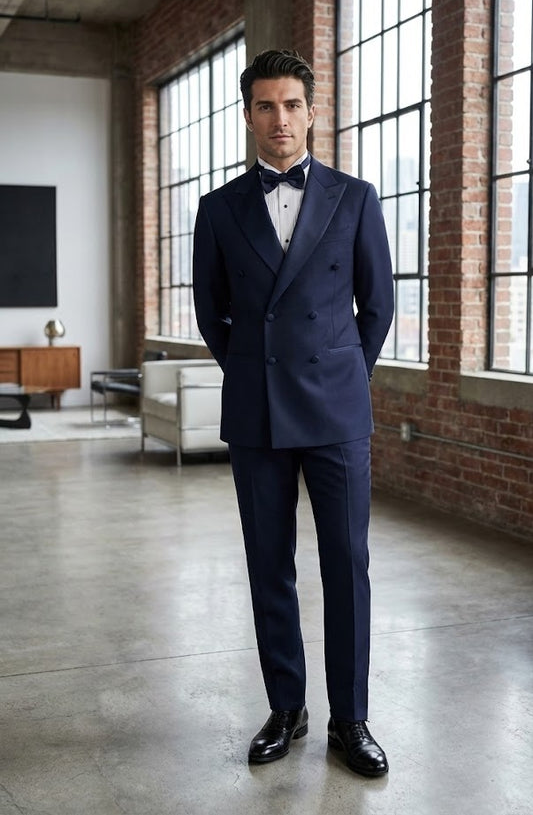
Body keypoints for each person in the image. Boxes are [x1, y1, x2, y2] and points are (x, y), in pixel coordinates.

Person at [192, 49, 394, 778]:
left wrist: (341, 372)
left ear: (312, 111)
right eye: (265, 106)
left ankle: (351, 718)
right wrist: (257, 371)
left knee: (346, 565)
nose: (280, 119)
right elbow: (212, 314)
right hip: (257, 409)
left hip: (337, 408)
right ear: (247, 115)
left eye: (292, 104)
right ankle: (286, 706)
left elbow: (377, 306)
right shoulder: (217, 209)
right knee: (267, 563)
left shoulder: (355, 195)